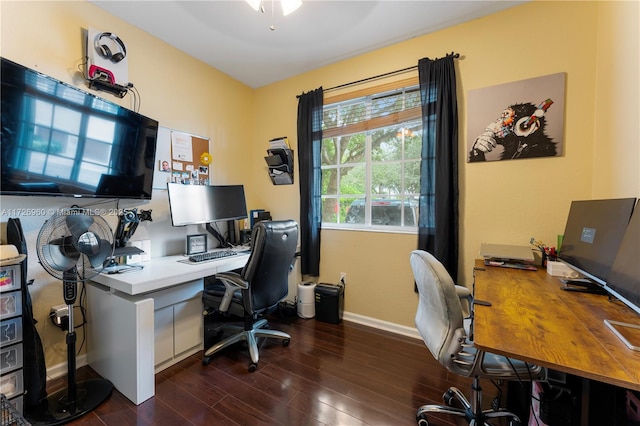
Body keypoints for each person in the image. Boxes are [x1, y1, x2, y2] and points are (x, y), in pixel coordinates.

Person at [469, 99, 556, 162]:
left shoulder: (540, 152)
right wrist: (477, 152)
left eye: (506, 115)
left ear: (529, 127)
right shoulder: (514, 152)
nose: (497, 121)